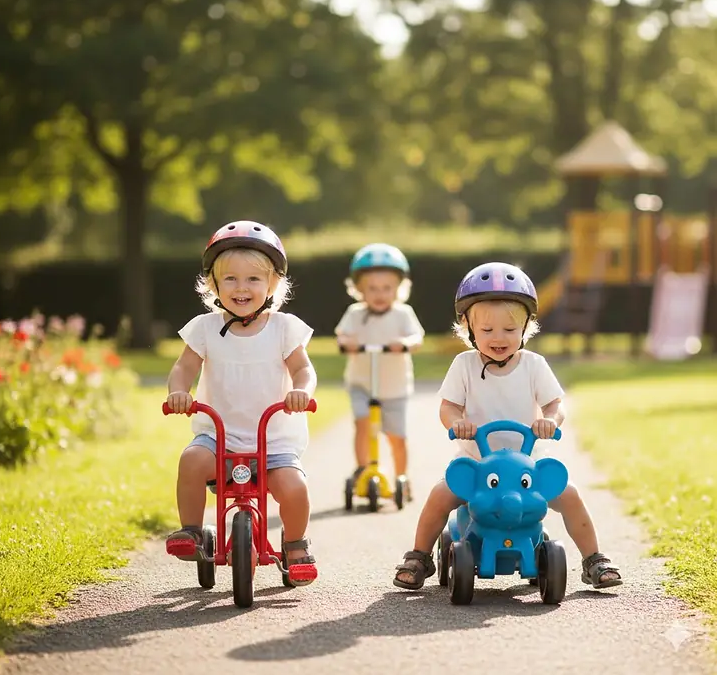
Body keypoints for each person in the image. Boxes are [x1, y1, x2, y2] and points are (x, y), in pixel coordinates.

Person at [393, 261, 622, 591]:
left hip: (527, 463)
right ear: (468, 327)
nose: (498, 338)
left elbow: (556, 403)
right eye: (486, 330)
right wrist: (458, 423)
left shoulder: (534, 366)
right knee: (441, 496)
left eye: (510, 330)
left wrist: (549, 420)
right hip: (477, 462)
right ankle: (419, 556)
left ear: (527, 327)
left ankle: (594, 559)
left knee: (569, 495)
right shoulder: (464, 365)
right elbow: (449, 406)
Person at [165, 220, 318, 586]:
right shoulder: (203, 328)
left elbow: (304, 370)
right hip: (219, 436)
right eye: (229, 279)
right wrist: (178, 392)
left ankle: (295, 545)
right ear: (213, 285)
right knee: (190, 461)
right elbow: (184, 367)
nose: (241, 287)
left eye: (253, 279)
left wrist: (302, 392)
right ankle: (192, 532)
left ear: (273, 285)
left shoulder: (284, 328)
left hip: (274, 440)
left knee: (294, 488)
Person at [335, 243, 425, 495]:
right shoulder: (354, 314)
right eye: (372, 288)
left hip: (394, 387)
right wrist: (347, 344)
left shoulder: (403, 314)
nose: (379, 294)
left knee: (397, 437)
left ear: (399, 288)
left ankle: (402, 477)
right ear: (359, 289)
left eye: (387, 288)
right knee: (362, 423)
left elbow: (416, 338)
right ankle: (363, 468)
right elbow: (342, 337)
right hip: (361, 383)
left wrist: (404, 344)